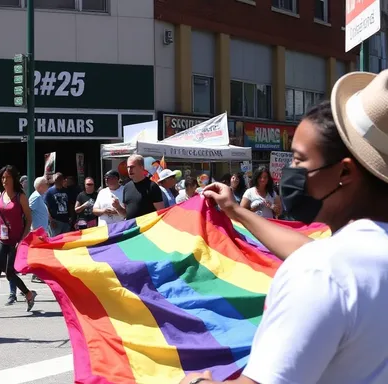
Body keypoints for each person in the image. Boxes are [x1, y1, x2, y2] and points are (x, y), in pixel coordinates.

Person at [182, 72, 388, 384]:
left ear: (345, 171)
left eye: (299, 160)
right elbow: (310, 253)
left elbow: (321, 269)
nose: (289, 174)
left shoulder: (322, 272)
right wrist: (236, 210)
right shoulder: (343, 263)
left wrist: (195, 382)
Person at [0, 165, 37, 318]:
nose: (4, 180)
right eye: (2, 178)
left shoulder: (20, 196)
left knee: (10, 272)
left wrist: (22, 239)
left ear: (13, 179)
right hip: (0, 237)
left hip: (15, 239)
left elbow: (29, 219)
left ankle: (28, 294)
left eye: (7, 177)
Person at [122, 155, 165, 219]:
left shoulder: (152, 186)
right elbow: (126, 214)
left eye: (132, 167)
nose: (129, 170)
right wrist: (117, 207)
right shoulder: (126, 187)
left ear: (141, 167)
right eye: (128, 167)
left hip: (147, 227)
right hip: (132, 227)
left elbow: (161, 212)